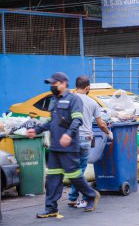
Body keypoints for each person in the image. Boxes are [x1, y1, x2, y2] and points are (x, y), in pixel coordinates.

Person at [27, 72, 100, 218]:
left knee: (74, 176)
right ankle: (51, 208)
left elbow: (77, 120)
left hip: (69, 146)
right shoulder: (54, 100)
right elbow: (51, 122)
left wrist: (68, 134)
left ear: (63, 83)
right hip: (55, 147)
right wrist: (36, 129)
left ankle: (91, 195)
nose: (52, 86)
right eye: (51, 83)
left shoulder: (73, 99)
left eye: (55, 83)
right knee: (52, 179)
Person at [68, 76, 113, 208]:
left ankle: (73, 197)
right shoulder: (92, 102)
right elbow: (101, 124)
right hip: (86, 139)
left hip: (71, 138)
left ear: (76, 86)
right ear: (87, 87)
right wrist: (108, 133)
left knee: (74, 169)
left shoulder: (69, 99)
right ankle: (87, 196)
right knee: (80, 170)